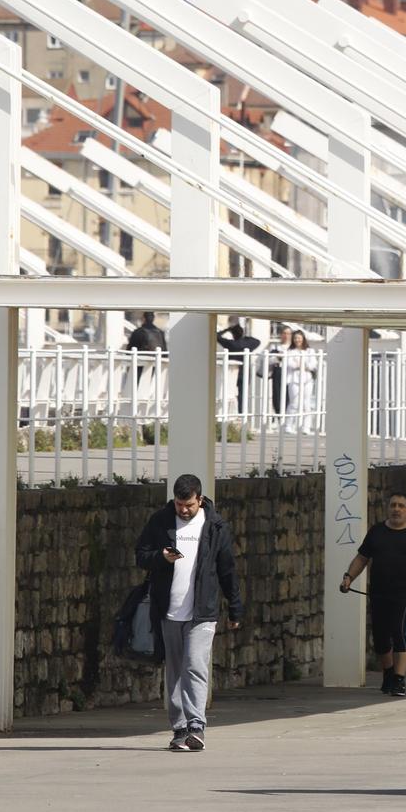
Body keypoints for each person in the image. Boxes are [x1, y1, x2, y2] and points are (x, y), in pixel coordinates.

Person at [134, 472, 242, 752]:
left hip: (202, 611)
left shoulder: (215, 526)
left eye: (189, 505)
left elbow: (227, 568)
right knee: (174, 671)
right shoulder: (160, 521)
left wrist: (235, 607)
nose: (183, 510)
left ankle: (196, 726)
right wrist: (161, 557)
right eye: (179, 504)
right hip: (168, 610)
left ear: (200, 499)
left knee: (195, 665)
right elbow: (141, 555)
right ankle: (179, 728)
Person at [340, 488, 406, 695]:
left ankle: (399, 680)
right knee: (381, 637)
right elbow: (361, 559)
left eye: (401, 506)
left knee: (400, 632)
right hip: (378, 594)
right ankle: (388, 673)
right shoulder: (376, 532)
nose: (396, 509)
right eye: (393, 505)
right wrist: (348, 577)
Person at [216, 317, 260, 414]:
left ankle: (227, 413)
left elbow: (217, 336)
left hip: (231, 372)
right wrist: (245, 336)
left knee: (227, 393)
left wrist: (228, 329)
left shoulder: (231, 344)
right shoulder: (248, 343)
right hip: (244, 372)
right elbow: (257, 341)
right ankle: (241, 414)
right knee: (242, 396)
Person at [283, 328, 317, 433]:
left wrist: (302, 364)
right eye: (296, 338)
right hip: (294, 380)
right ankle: (289, 425)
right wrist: (299, 364)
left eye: (299, 338)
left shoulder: (310, 351)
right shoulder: (290, 351)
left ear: (303, 339)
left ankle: (306, 427)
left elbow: (312, 365)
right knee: (294, 403)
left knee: (307, 404)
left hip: (307, 380)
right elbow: (289, 364)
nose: (297, 340)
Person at [267, 326, 292, 420]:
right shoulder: (275, 347)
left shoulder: (293, 348)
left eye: (289, 333)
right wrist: (278, 357)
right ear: (281, 334)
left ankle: (287, 419)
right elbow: (269, 360)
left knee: (289, 396)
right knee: (277, 395)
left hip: (290, 373)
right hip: (278, 372)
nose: (286, 336)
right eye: (284, 333)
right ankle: (279, 418)